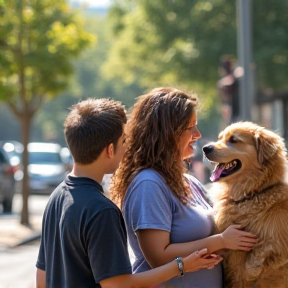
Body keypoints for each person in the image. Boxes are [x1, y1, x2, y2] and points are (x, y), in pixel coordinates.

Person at [35, 98, 223, 288]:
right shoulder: (102, 211)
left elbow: (41, 278)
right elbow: (118, 284)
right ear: (110, 150)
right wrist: (182, 266)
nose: (128, 147)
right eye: (124, 140)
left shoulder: (56, 197)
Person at [110, 87, 258, 288]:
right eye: (191, 128)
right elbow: (158, 257)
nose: (197, 135)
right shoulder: (148, 184)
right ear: (168, 133)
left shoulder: (189, 181)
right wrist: (221, 241)